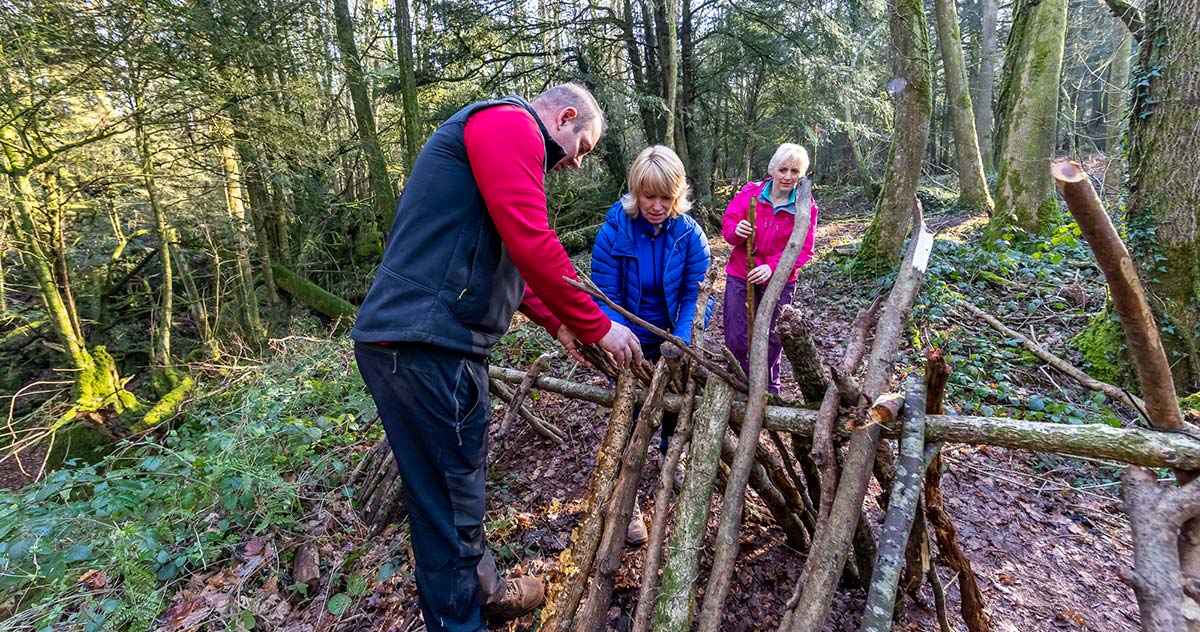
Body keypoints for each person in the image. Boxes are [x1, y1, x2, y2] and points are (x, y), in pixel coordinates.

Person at [351, 84, 642, 632]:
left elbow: (505, 252)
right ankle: (462, 620)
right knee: (451, 502)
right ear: (565, 117)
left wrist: (556, 322)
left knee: (448, 491)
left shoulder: (498, 141)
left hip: (422, 341)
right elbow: (532, 240)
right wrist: (598, 325)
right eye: (582, 148)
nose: (577, 164)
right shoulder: (509, 126)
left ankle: (481, 592)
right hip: (428, 345)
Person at [590, 145, 712, 545]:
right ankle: (629, 499)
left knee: (675, 408)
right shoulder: (612, 234)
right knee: (629, 414)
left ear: (677, 195)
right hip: (628, 341)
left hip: (673, 340)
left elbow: (697, 293)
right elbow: (605, 296)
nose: (657, 206)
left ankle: (668, 457)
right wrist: (622, 339)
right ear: (635, 192)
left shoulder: (690, 234)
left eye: (666, 197)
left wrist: (682, 337)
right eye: (649, 196)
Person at [721, 142, 819, 394]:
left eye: (794, 171)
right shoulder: (750, 194)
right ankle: (739, 385)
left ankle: (767, 390)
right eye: (783, 169)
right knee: (736, 335)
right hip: (741, 275)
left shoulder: (805, 207)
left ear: (802, 174)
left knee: (773, 336)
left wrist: (772, 268)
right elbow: (728, 227)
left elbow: (803, 249)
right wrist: (737, 231)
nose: (788, 176)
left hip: (779, 280)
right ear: (772, 169)